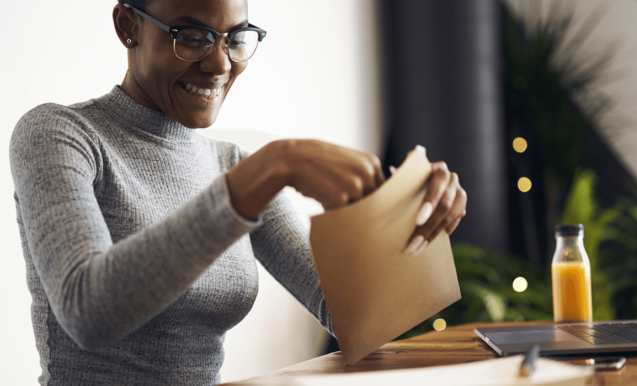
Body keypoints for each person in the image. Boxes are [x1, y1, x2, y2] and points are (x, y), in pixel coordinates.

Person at [9, 0, 467, 385]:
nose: (220, 64)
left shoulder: (233, 167)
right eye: (191, 35)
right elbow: (88, 312)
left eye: (235, 37)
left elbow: (352, 317)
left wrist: (416, 217)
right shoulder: (59, 134)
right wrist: (268, 171)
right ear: (128, 26)